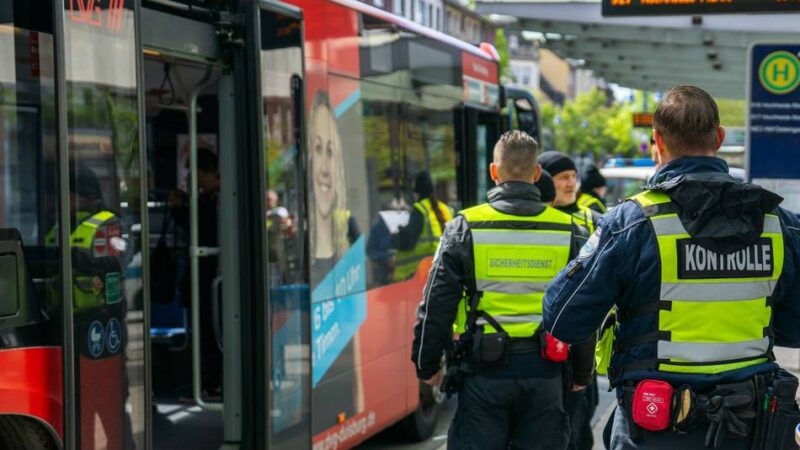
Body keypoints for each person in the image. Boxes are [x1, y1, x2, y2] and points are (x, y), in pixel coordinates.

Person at [543, 86, 800, 450]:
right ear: (720, 138)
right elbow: (795, 328)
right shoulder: (779, 223)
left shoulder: (630, 223)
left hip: (656, 422)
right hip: (750, 423)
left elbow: (563, 319)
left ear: (657, 142)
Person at [412, 131, 594, 450]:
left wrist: (427, 366)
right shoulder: (570, 231)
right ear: (537, 174)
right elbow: (582, 308)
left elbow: (436, 303)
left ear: (494, 172)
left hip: (484, 374)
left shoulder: (465, 226)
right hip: (546, 373)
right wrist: (582, 372)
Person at [171, 147, 222, 397]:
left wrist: (183, 207)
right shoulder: (206, 199)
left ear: (206, 172)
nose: (193, 177)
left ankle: (212, 382)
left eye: (196, 172)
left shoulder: (217, 199)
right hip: (204, 279)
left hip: (211, 279)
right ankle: (208, 381)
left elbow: (200, 229)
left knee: (210, 332)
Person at [393, 171, 453, 281]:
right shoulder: (446, 210)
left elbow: (408, 242)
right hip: (443, 269)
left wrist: (397, 236)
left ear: (417, 193)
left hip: (420, 272)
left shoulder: (419, 209)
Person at [539, 152, 603, 233]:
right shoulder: (531, 216)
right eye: (564, 177)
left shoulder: (594, 220)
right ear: (545, 181)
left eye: (574, 176)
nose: (572, 183)